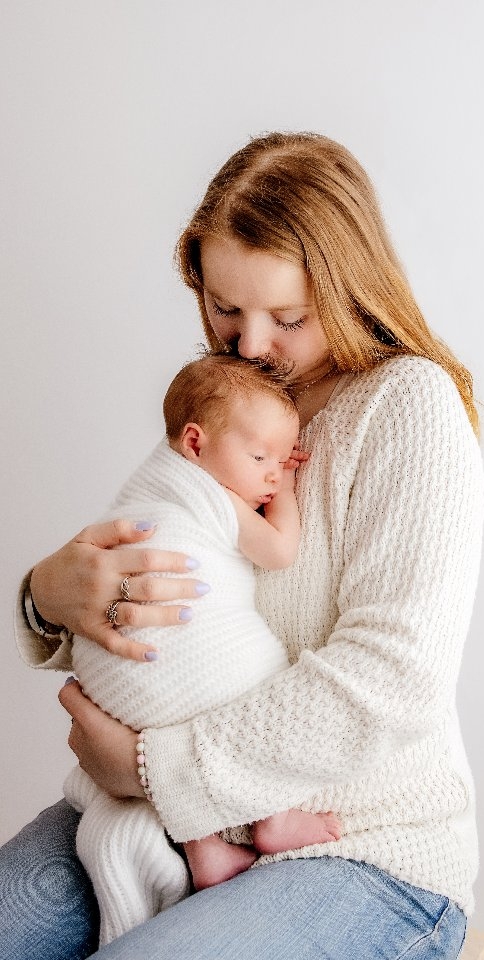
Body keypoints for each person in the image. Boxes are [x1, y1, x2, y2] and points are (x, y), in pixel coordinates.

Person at [2, 131, 484, 960]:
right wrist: (45, 597)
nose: (250, 344)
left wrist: (153, 769)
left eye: (287, 318)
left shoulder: (410, 408)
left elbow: (393, 678)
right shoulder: (237, 401)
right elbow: (172, 596)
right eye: (225, 309)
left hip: (364, 847)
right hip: (148, 818)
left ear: (349, 287)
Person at [64, 351, 340, 946]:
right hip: (176, 659)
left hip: (111, 679)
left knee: (179, 730)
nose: (273, 473)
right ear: (195, 443)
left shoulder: (147, 486)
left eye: (281, 461)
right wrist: (289, 489)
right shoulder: (214, 496)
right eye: (261, 458)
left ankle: (204, 846)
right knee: (264, 686)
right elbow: (280, 551)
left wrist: (264, 464)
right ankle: (275, 816)